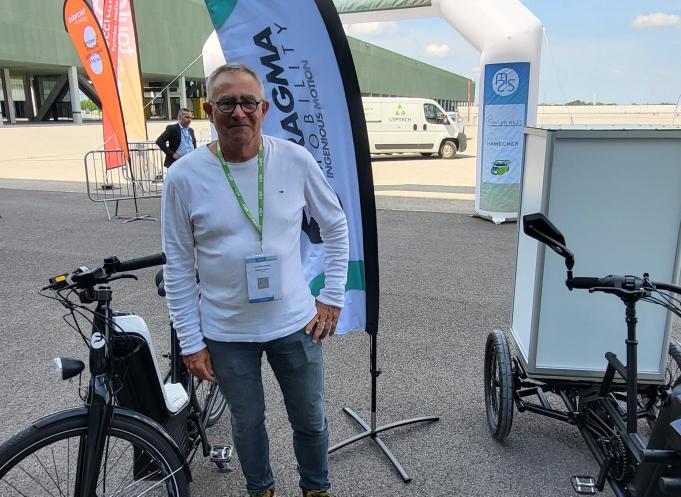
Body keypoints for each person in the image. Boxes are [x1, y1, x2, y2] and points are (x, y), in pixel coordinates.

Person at [161, 63, 349, 497]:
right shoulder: (183, 177)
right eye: (227, 102)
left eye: (248, 102)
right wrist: (191, 341)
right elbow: (177, 266)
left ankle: (316, 489)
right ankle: (260, 490)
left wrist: (333, 296)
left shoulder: (294, 160)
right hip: (228, 333)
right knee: (247, 423)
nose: (239, 112)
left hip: (296, 323)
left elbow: (335, 225)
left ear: (263, 108)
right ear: (209, 109)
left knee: (309, 417)